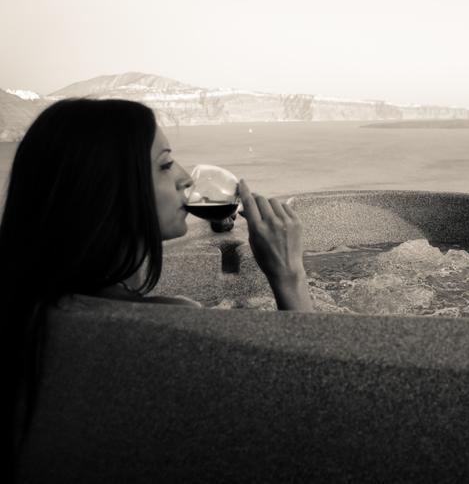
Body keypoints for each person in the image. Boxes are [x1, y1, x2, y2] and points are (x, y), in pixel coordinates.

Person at [1, 98, 313, 476]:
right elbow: (306, 428)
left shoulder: (29, 316)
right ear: (108, 190)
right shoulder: (171, 328)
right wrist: (289, 275)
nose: (186, 177)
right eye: (165, 164)